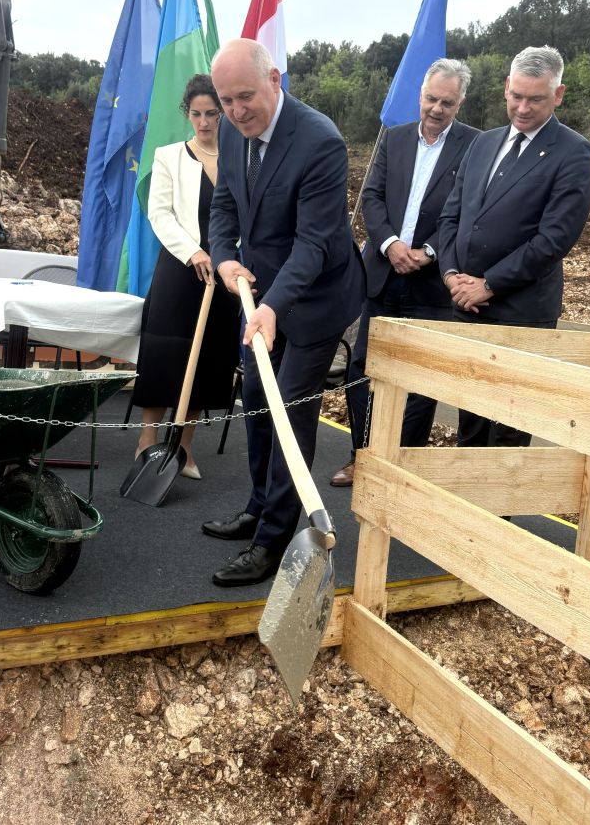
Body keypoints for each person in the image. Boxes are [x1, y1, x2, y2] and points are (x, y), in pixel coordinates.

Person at [202, 39, 365, 586]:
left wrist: (274, 304)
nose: (236, 111)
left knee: (289, 412)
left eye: (245, 96)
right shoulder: (230, 129)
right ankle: (256, 507)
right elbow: (225, 203)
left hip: (316, 298)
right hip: (260, 295)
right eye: (226, 101)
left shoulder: (320, 141)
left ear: (275, 78)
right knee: (254, 401)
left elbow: (314, 243)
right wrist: (225, 260)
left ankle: (273, 540)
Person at [330, 59, 479, 488]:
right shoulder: (393, 139)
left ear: (459, 103)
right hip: (381, 273)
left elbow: (466, 210)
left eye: (446, 103)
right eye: (431, 98)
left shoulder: (474, 145)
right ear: (420, 95)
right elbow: (372, 197)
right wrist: (391, 244)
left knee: (419, 380)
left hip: (430, 283)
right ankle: (362, 457)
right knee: (362, 370)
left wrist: (430, 252)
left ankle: (400, 468)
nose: (436, 109)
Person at [437, 45, 590, 447]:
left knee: (507, 429)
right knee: (470, 421)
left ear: (558, 95)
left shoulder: (572, 152)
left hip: (521, 313)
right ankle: (464, 507)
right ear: (506, 87)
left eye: (536, 99)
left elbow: (554, 238)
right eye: (517, 96)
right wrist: (452, 276)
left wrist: (488, 284)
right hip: (467, 307)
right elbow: (452, 216)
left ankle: (497, 513)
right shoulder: (483, 143)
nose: (523, 108)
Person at [132, 74, 240, 477]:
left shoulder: (239, 158)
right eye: (197, 113)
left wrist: (230, 258)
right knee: (165, 353)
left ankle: (184, 449)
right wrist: (192, 251)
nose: (205, 122)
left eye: (212, 113)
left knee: (210, 358)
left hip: (224, 275)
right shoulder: (169, 156)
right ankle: (147, 441)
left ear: (223, 113)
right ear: (187, 113)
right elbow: (159, 212)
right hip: (179, 271)